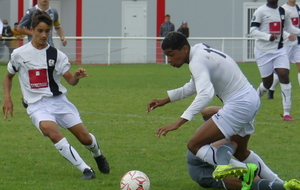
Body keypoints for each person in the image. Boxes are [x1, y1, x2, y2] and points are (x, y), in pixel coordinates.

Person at [2, 10, 109, 180]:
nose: (44, 35)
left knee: (85, 138)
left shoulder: (57, 55)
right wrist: (7, 98)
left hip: (59, 102)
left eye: (47, 31)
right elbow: (8, 77)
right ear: (32, 30)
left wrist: (77, 76)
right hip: (36, 105)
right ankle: (86, 170)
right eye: (40, 31)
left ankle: (98, 155)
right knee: (53, 133)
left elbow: (70, 81)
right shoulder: (19, 54)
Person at [146, 31, 261, 189]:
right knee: (241, 152)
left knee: (194, 145)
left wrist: (178, 123)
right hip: (250, 98)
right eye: (167, 55)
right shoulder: (199, 50)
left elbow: (206, 94)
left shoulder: (196, 62)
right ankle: (279, 182)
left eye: (171, 54)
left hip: (239, 104)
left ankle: (245, 173)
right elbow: (193, 85)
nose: (169, 60)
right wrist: (165, 100)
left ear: (184, 49)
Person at [250, 0, 300, 121]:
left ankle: (287, 113)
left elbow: (289, 28)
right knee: (267, 83)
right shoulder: (260, 11)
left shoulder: (282, 11)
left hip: (279, 50)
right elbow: (252, 30)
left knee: (284, 74)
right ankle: (256, 96)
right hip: (263, 52)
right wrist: (268, 37)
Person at [268, 0, 300, 100]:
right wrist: (287, 35)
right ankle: (271, 89)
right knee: (282, 71)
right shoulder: (283, 9)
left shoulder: (298, 8)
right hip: (285, 44)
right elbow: (280, 26)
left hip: (297, 43)